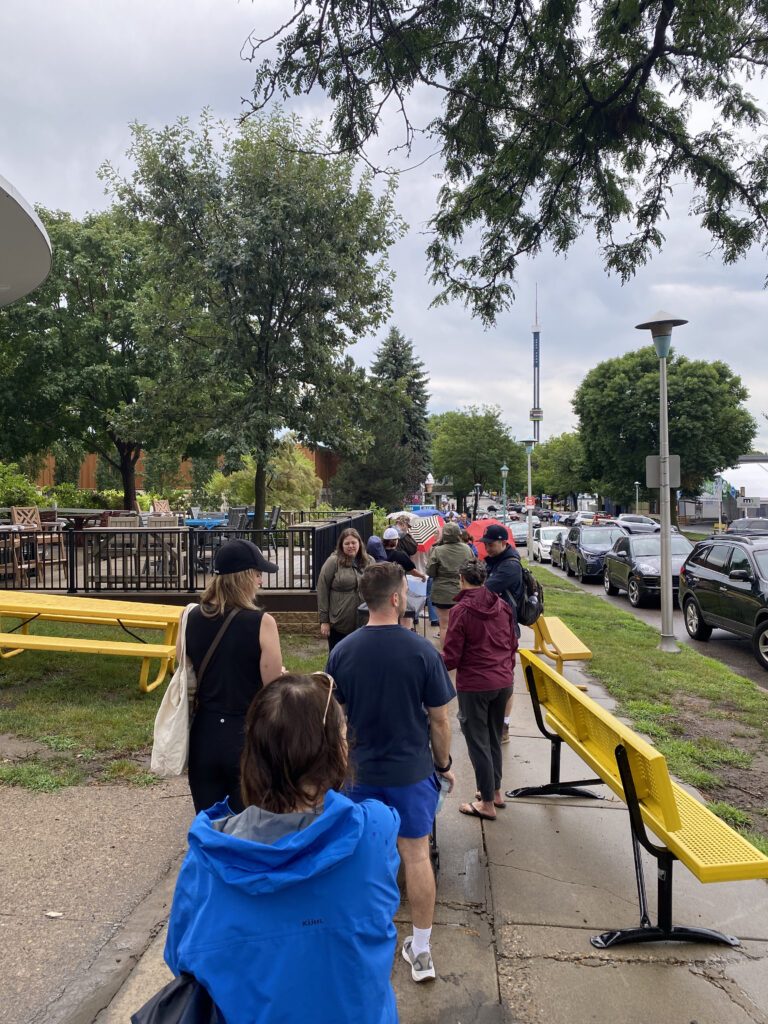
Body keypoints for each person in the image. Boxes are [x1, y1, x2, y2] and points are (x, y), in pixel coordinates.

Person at [164, 673, 401, 1024]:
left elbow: (179, 958)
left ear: (253, 754)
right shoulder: (374, 831)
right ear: (337, 752)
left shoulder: (207, 857)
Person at [327, 562, 456, 983]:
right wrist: (443, 765)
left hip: (359, 775)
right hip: (412, 773)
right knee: (416, 855)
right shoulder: (422, 652)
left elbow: (336, 721)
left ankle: (357, 939)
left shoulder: (343, 651)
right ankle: (421, 951)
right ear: (398, 598)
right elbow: (440, 720)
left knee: (358, 855)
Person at [179, 538, 283, 815]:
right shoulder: (263, 623)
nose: (260, 581)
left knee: (209, 826)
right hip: (246, 733)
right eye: (258, 574)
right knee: (248, 828)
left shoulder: (189, 617)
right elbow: (273, 689)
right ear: (245, 577)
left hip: (204, 732)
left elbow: (184, 669)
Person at [442, 559, 517, 821]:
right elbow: (512, 643)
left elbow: (451, 657)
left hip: (475, 684)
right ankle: (494, 791)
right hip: (503, 680)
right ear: (484, 579)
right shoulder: (503, 606)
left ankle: (487, 803)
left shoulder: (461, 611)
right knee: (494, 737)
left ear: (461, 579)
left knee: (478, 742)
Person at [479, 523, 524, 744]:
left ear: (504, 542)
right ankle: (493, 719)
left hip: (505, 630)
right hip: (491, 628)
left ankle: (503, 724)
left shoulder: (510, 566)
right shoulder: (494, 561)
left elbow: (483, 592)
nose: (487, 547)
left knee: (506, 679)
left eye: (491, 544)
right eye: (485, 543)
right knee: (492, 676)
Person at [316, 528, 372, 651]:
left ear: (359, 543)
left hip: (364, 622)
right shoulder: (333, 562)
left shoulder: (369, 561)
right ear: (341, 545)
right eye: (347, 543)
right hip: (339, 623)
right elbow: (322, 589)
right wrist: (324, 620)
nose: (351, 546)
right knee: (339, 657)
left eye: (354, 543)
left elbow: (376, 588)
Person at [425, 521, 473, 639]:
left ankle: (447, 655)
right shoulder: (467, 549)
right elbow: (474, 568)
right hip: (462, 591)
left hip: (442, 593)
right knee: (462, 627)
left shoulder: (438, 550)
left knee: (444, 627)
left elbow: (430, 572)